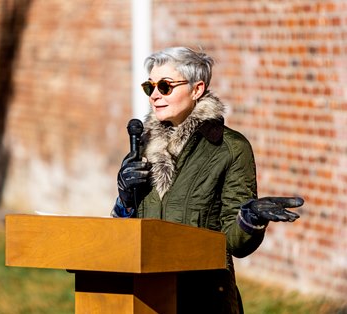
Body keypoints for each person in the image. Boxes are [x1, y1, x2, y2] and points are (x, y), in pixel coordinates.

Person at [111, 47, 303, 313]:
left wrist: (250, 219)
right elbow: (121, 233)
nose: (154, 95)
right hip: (145, 296)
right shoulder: (141, 148)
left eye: (165, 86)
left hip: (203, 298)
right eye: (150, 86)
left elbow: (236, 244)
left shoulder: (229, 148)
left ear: (197, 89)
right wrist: (123, 200)